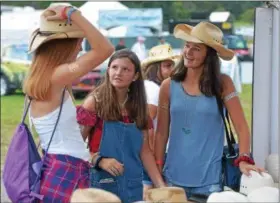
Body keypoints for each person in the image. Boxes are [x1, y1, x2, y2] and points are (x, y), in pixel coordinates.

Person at [154, 22, 264, 199]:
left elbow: (242, 127)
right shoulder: (168, 86)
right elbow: (160, 133)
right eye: (187, 46)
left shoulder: (223, 84)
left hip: (210, 182)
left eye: (196, 48)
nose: (188, 52)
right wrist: (157, 167)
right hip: (172, 179)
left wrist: (244, 159)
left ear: (209, 54)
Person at [23, 4, 114, 202]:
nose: (81, 47)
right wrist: (73, 14)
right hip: (68, 166)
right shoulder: (56, 76)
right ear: (63, 46)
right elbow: (105, 48)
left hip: (57, 164)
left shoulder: (43, 77)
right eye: (78, 41)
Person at [76, 49, 165, 203]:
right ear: (108, 70)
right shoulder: (95, 103)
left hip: (133, 185)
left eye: (125, 69)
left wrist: (161, 186)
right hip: (102, 186)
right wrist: (99, 160)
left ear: (136, 76)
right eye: (114, 67)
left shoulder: (140, 108)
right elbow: (75, 146)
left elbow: (145, 152)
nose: (118, 73)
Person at [141, 44, 177, 199]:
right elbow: (146, 125)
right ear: (156, 68)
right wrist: (156, 161)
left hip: (154, 152)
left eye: (172, 65)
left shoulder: (151, 87)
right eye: (167, 66)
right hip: (155, 153)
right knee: (151, 193)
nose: (172, 70)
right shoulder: (153, 89)